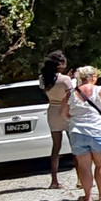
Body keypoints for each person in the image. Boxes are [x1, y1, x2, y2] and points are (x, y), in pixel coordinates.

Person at [60, 66, 101, 201]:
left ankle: (87, 196)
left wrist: (74, 119)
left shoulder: (70, 94)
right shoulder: (100, 91)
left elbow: (63, 113)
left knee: (84, 166)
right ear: (93, 77)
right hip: (98, 131)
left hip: (77, 132)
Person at [38, 50, 74, 189]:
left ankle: (54, 180)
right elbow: (70, 93)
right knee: (74, 147)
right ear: (60, 64)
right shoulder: (65, 79)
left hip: (52, 110)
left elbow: (47, 87)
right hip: (66, 110)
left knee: (56, 148)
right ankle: (79, 180)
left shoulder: (43, 78)